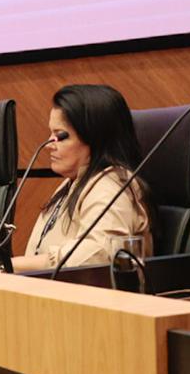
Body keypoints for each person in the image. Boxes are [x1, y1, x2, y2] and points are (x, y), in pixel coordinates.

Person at [12, 85, 153, 271]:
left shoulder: (111, 187)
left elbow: (100, 254)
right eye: (51, 134)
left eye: (60, 136)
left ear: (94, 137)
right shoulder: (72, 181)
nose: (49, 145)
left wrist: (11, 266)